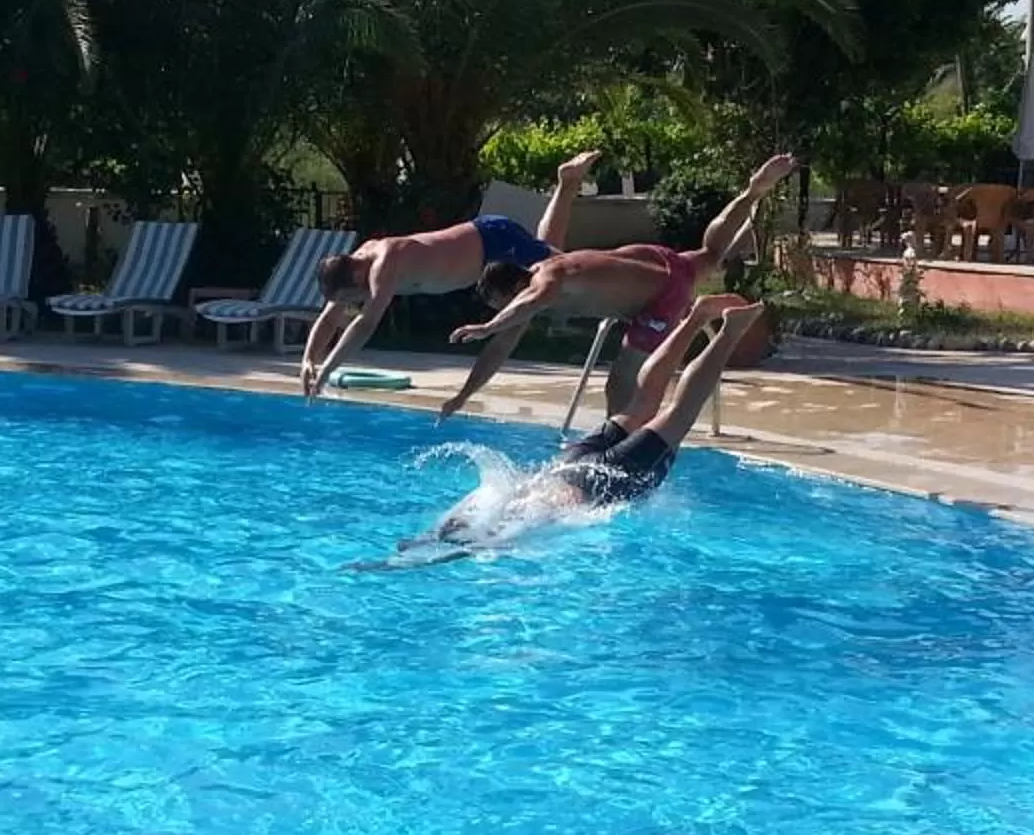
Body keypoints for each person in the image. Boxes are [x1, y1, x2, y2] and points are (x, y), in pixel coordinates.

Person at [439, 153, 795, 422]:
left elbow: (527, 303)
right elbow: (497, 351)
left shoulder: (544, 281)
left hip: (661, 299)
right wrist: (462, 396)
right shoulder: (548, 260)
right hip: (655, 260)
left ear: (516, 285)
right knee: (712, 252)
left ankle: (621, 449)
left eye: (501, 304)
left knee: (623, 381)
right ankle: (752, 191)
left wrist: (487, 326)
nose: (503, 314)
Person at [416, 300, 765, 553]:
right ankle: (695, 318)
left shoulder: (494, 534)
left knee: (680, 413)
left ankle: (730, 331)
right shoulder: (464, 513)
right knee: (642, 401)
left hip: (600, 483)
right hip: (568, 463)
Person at [299, 150, 603, 397]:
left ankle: (621, 266)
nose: (354, 303)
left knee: (567, 268)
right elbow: (330, 314)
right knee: (549, 253)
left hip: (493, 240)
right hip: (485, 246)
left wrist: (326, 372)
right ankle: (567, 184)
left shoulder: (383, 263)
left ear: (355, 278)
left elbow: (365, 325)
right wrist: (308, 358)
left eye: (352, 298)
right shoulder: (353, 267)